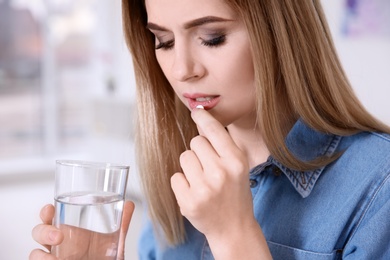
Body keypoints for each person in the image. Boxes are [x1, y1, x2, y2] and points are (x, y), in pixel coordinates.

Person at [31, 0, 390, 259]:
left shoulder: (379, 186)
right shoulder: (179, 173)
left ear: (281, 34)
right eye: (164, 41)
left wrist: (233, 235)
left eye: (212, 37)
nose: (182, 69)